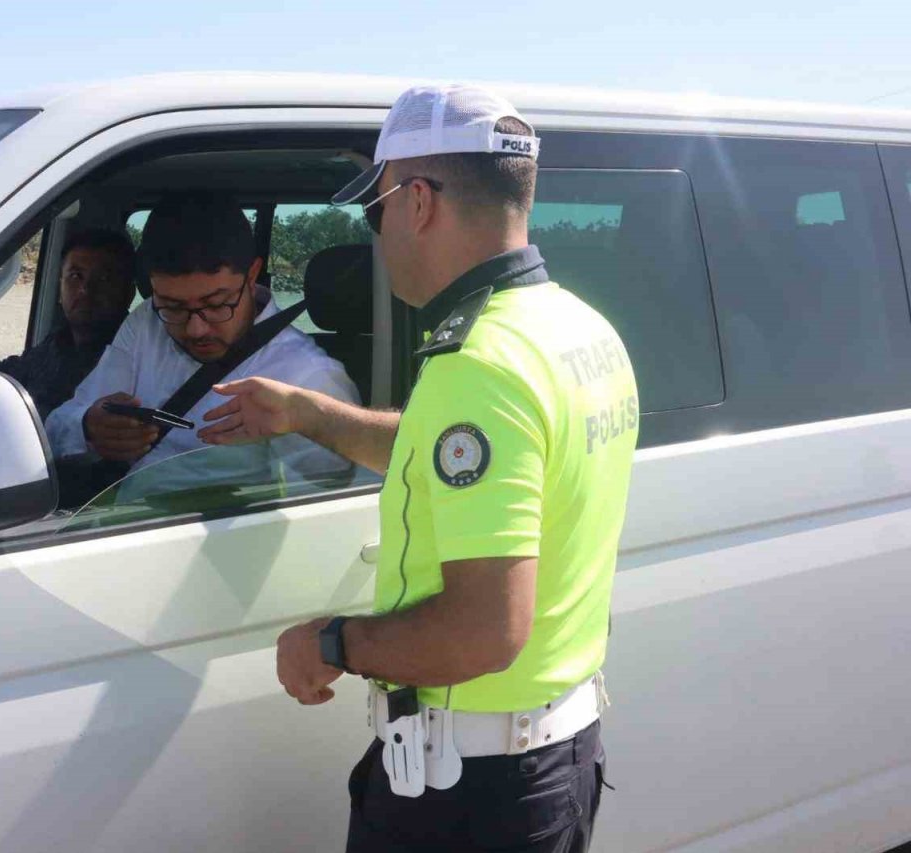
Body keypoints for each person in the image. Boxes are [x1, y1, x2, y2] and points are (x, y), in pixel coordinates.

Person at [198, 85, 639, 852]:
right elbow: (451, 454)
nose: (378, 231)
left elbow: (483, 630)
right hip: (551, 757)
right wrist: (308, 413)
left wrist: (330, 642)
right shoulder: (574, 328)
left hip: (469, 793)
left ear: (420, 203)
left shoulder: (481, 365)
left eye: (377, 210)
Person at [45, 193, 358, 478]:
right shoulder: (146, 323)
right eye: (173, 307)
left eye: (216, 304)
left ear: (252, 276)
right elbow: (61, 423)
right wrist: (88, 427)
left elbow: (326, 505)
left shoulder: (310, 379)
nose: (196, 329)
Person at [0, 228, 135, 418]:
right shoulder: (57, 343)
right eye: (76, 276)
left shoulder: (134, 356)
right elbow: (10, 374)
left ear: (128, 293)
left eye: (103, 278)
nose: (86, 289)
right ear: (59, 287)